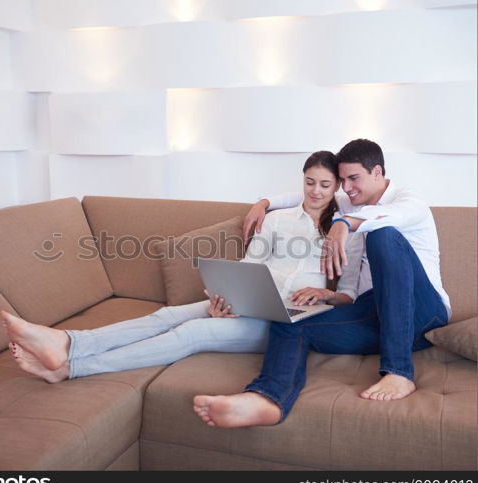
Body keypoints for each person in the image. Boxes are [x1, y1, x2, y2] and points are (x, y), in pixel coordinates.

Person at [0, 151, 364, 383]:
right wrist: (229, 296)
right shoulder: (276, 220)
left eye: (325, 185)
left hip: (289, 321)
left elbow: (349, 295)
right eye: (309, 182)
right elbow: (251, 264)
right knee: (166, 316)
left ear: (337, 189)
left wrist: (326, 292)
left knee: (191, 334)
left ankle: (69, 368)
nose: (315, 191)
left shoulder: (350, 228)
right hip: (252, 303)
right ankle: (68, 342)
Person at [193, 138, 450, 428]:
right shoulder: (352, 200)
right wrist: (263, 203)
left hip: (424, 313)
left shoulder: (409, 202)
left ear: (377, 172)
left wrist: (343, 224)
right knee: (293, 319)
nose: (347, 187)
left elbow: (387, 217)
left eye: (354, 178)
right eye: (342, 181)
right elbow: (305, 197)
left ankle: (399, 372)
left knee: (384, 235)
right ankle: (267, 399)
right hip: (374, 312)